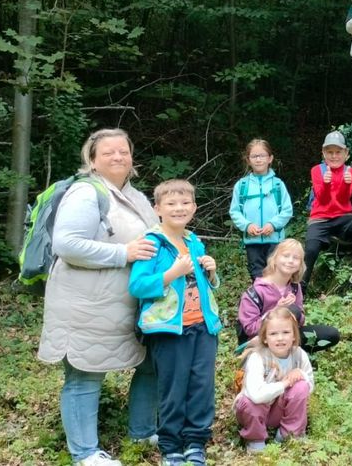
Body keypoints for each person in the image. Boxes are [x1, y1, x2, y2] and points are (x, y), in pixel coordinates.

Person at [37, 128, 159, 466]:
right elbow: (67, 244)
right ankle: (85, 454)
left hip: (128, 302)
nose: (118, 157)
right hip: (85, 303)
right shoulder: (85, 193)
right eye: (108, 152)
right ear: (92, 160)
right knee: (84, 374)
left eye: (124, 151)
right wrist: (124, 252)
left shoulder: (134, 196)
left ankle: (143, 429)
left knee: (150, 361)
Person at [128, 179, 222, 466]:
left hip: (203, 328)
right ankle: (171, 447)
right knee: (173, 388)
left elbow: (205, 286)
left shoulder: (194, 241)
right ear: (157, 209)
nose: (178, 208)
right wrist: (172, 272)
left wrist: (212, 272)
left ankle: (196, 443)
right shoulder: (152, 243)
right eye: (171, 203)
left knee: (201, 387)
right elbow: (138, 286)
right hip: (169, 330)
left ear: (193, 207)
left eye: (185, 203)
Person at [238, 239, 341, 353]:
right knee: (289, 311)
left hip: (287, 335)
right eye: (286, 256)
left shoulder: (295, 287)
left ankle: (293, 355)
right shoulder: (255, 292)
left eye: (296, 258)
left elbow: (300, 321)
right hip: (261, 340)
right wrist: (276, 311)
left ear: (300, 265)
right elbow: (250, 329)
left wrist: (294, 311)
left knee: (331, 334)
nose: (290, 261)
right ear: (275, 259)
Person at [234, 307, 314, 452]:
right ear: (264, 338)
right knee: (249, 401)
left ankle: (287, 434)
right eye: (273, 333)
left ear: (294, 336)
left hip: (278, 410)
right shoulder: (257, 357)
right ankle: (256, 440)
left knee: (301, 385)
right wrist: (285, 383)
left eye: (286, 332)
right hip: (254, 411)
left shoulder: (299, 354)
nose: (280, 338)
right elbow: (256, 396)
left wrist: (301, 374)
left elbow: (310, 386)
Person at [303, 131, 352, 290]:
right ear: (323, 153)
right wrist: (326, 183)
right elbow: (322, 199)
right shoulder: (317, 170)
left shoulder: (351, 172)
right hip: (319, 219)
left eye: (338, 152)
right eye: (330, 152)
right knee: (311, 249)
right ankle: (300, 288)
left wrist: (346, 184)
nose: (334, 156)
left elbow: (343, 199)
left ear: (346, 153)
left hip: (343, 218)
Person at [229, 139, 294, 281]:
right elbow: (234, 211)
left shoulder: (277, 184)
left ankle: (278, 302)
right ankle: (262, 302)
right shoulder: (242, 185)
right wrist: (247, 226)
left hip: (275, 240)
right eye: (254, 156)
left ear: (270, 158)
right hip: (252, 241)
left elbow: (287, 210)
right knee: (257, 274)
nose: (258, 160)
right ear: (248, 160)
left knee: (276, 272)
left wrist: (273, 224)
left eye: (262, 155)